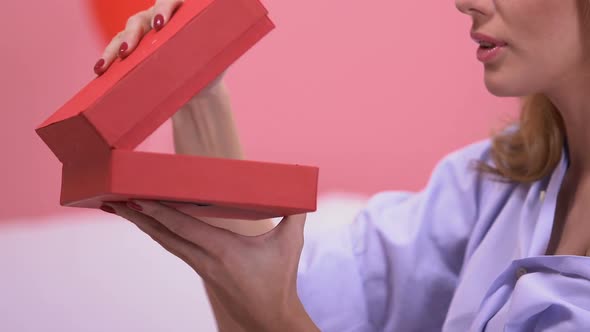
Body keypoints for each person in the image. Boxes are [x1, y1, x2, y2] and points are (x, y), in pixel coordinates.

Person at [97, 0, 590, 330]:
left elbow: (279, 308)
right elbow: (292, 298)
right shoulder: (495, 184)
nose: (465, 0)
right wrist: (197, 89)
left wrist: (278, 313)